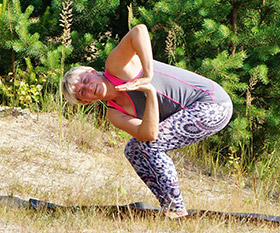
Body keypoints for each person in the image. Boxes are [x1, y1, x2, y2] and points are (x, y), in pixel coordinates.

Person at [62, 24, 233, 218]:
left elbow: (139, 30)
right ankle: (169, 206)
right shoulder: (114, 113)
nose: (89, 88)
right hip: (198, 111)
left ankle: (176, 210)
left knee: (150, 147)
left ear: (92, 71)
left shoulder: (116, 66)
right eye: (82, 93)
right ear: (86, 101)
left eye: (85, 80)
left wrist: (147, 76)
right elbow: (149, 134)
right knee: (134, 149)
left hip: (213, 103)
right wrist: (150, 92)